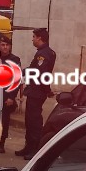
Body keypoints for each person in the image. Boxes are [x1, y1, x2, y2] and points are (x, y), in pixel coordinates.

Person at [16, 28, 56, 160]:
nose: (32, 39)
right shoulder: (43, 53)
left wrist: (46, 90)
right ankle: (29, 146)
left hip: (37, 91)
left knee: (34, 122)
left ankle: (35, 149)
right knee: (29, 120)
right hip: (35, 90)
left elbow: (39, 73)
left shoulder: (43, 55)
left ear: (39, 38)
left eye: (34, 37)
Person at [0, 35, 21, 153]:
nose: (5, 47)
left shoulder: (15, 60)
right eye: (2, 45)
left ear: (10, 46)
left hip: (7, 94)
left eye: (7, 45)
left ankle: (2, 143)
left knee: (5, 120)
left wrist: (12, 97)